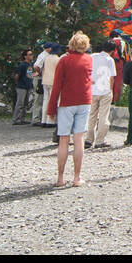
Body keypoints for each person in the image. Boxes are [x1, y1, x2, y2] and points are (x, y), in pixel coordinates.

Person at [48, 32, 94, 186]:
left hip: (67, 102)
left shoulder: (65, 61)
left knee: (64, 140)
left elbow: (57, 86)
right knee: (79, 139)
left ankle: (60, 178)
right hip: (84, 101)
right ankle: (76, 177)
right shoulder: (89, 60)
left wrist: (51, 108)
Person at [86, 41, 118, 148]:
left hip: (92, 89)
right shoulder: (110, 60)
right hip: (104, 90)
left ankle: (89, 139)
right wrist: (111, 89)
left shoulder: (93, 56)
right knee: (103, 115)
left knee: (91, 115)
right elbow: (112, 77)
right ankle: (100, 140)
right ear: (112, 51)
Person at [35, 43, 61, 127]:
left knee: (46, 100)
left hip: (45, 81)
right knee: (53, 101)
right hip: (53, 81)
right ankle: (51, 120)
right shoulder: (57, 59)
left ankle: (44, 120)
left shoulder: (46, 58)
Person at [12, 48, 35, 125]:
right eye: (30, 54)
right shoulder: (22, 65)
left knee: (25, 104)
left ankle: (22, 118)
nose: (32, 56)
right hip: (21, 86)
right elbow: (17, 75)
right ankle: (16, 119)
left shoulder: (30, 65)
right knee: (20, 103)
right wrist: (18, 82)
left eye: (32, 54)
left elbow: (30, 74)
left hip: (28, 86)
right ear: (25, 56)